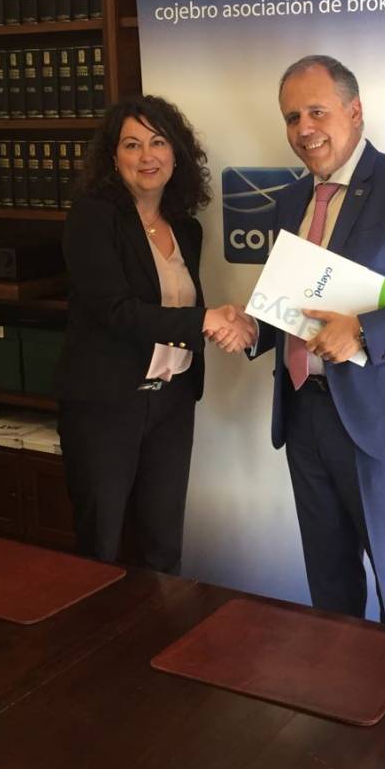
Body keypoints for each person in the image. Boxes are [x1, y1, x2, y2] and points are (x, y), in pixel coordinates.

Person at [217, 56, 385, 631]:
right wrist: (253, 328)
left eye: (317, 111)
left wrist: (363, 330)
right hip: (304, 414)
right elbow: (295, 304)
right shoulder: (290, 200)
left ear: (355, 111)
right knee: (329, 583)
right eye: (292, 117)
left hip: (382, 422)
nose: (304, 128)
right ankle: (340, 681)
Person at [55, 95, 254, 572]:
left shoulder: (185, 228)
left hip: (171, 401)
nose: (147, 156)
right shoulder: (92, 217)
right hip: (106, 405)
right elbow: (117, 312)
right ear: (113, 157)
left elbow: (177, 307)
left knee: (163, 544)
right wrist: (206, 320)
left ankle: (157, 622)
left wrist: (232, 322)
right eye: (132, 144)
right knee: (101, 544)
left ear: (176, 153)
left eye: (158, 142)